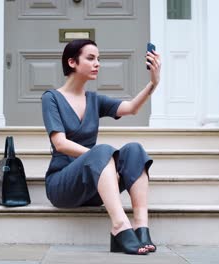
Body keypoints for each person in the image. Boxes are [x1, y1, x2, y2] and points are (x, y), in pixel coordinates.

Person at [41, 39, 161, 255]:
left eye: (98, 59)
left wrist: (153, 82)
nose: (97, 63)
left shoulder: (94, 100)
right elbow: (60, 143)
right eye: (90, 58)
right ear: (72, 62)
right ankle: (119, 226)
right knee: (103, 151)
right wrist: (102, 160)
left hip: (95, 185)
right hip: (62, 184)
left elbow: (132, 108)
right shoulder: (52, 98)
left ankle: (141, 227)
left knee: (135, 149)